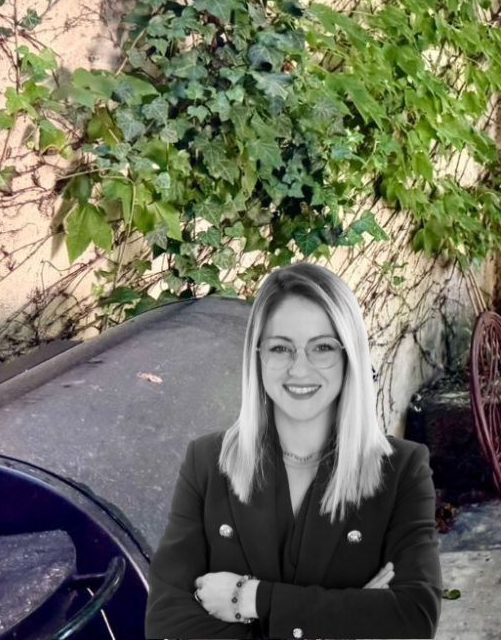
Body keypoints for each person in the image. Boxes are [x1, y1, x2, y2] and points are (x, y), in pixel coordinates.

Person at [144, 263, 442, 639]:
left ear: (349, 355)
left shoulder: (402, 470)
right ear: (257, 357)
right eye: (281, 348)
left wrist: (252, 598)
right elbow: (167, 623)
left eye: (322, 348)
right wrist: (345, 617)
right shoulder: (206, 463)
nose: (299, 369)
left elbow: (414, 617)